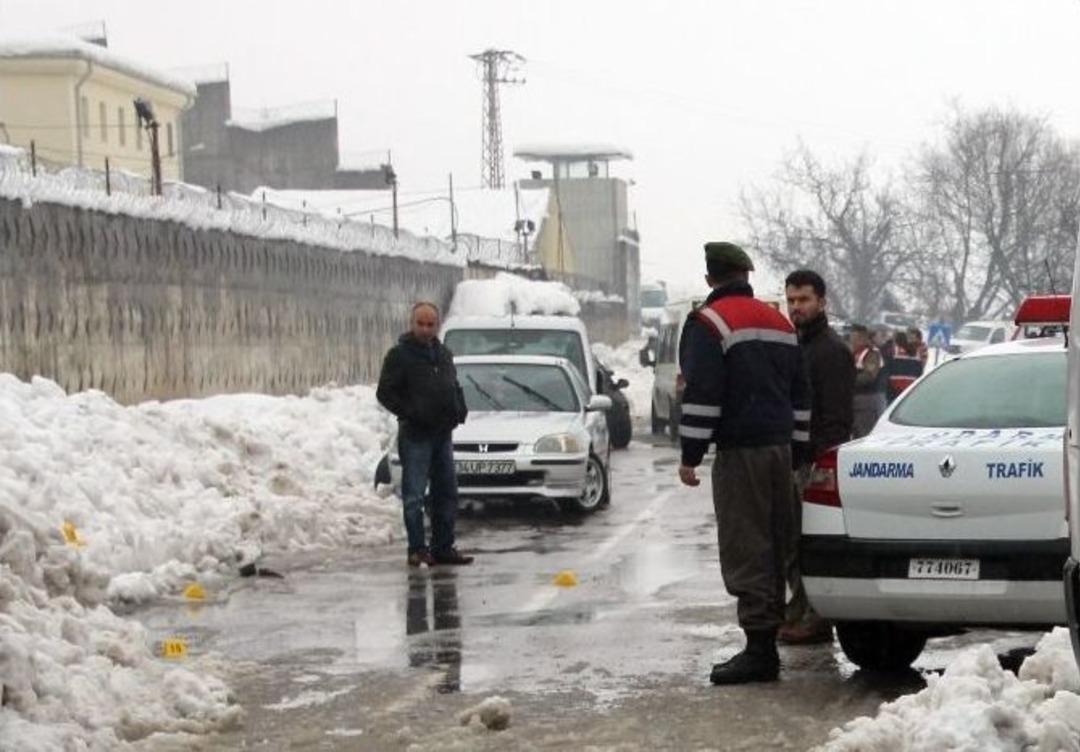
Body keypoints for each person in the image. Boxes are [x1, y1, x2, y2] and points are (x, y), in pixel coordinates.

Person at [677, 241, 811, 685]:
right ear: (746, 276)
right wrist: (798, 450)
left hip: (741, 453)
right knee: (777, 541)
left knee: (746, 543)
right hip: (780, 452)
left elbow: (703, 395)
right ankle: (770, 636)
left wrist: (690, 455)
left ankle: (759, 651)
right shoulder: (779, 322)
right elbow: (801, 394)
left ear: (710, 278)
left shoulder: (707, 323)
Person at [780, 270, 855, 645]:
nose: (797, 307)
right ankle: (799, 607)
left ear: (822, 302)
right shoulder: (796, 344)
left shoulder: (831, 350)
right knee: (790, 541)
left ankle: (816, 616)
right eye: (791, 300)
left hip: (815, 462)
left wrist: (820, 465)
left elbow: (837, 418)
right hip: (793, 458)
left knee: (808, 541)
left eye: (804, 300)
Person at [376, 302, 473, 567]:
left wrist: (458, 407)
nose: (425, 329)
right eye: (421, 323)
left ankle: (443, 547)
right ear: (412, 323)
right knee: (414, 496)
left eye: (430, 324)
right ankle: (417, 549)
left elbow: (452, 384)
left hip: (442, 433)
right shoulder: (399, 355)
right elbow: (384, 393)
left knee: (447, 493)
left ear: (437, 325)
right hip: (416, 435)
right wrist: (410, 413)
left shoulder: (443, 354)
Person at [850, 324, 886, 438]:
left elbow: (869, 376)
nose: (852, 341)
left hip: (867, 400)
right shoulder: (854, 352)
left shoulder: (871, 353)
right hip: (853, 399)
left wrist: (847, 380)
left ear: (863, 338)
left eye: (855, 338)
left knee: (862, 434)